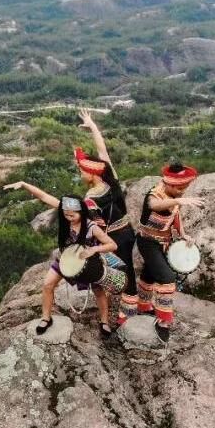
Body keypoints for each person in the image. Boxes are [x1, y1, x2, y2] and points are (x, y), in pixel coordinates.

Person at [3, 182, 120, 339]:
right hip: (65, 258)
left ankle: (104, 321)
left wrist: (94, 249)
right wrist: (24, 185)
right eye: (66, 215)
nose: (69, 218)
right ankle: (46, 318)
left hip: (87, 261)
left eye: (73, 215)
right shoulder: (66, 212)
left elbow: (112, 245)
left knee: (98, 290)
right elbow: (44, 196)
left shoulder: (91, 226)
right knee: (47, 284)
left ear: (82, 212)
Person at [76, 108, 139, 325]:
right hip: (127, 231)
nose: (80, 175)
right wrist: (93, 126)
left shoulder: (90, 197)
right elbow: (103, 151)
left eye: (82, 171)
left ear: (92, 174)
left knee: (125, 269)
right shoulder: (110, 178)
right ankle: (126, 302)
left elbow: (90, 223)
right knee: (125, 266)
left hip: (115, 237)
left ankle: (129, 310)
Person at [136, 162, 203, 341]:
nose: (182, 191)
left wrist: (183, 234)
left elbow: (175, 215)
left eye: (185, 187)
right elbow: (155, 205)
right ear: (169, 184)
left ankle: (143, 306)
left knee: (149, 274)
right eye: (180, 187)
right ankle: (163, 321)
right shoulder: (154, 194)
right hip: (147, 241)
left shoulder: (175, 197)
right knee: (167, 278)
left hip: (163, 242)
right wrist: (178, 200)